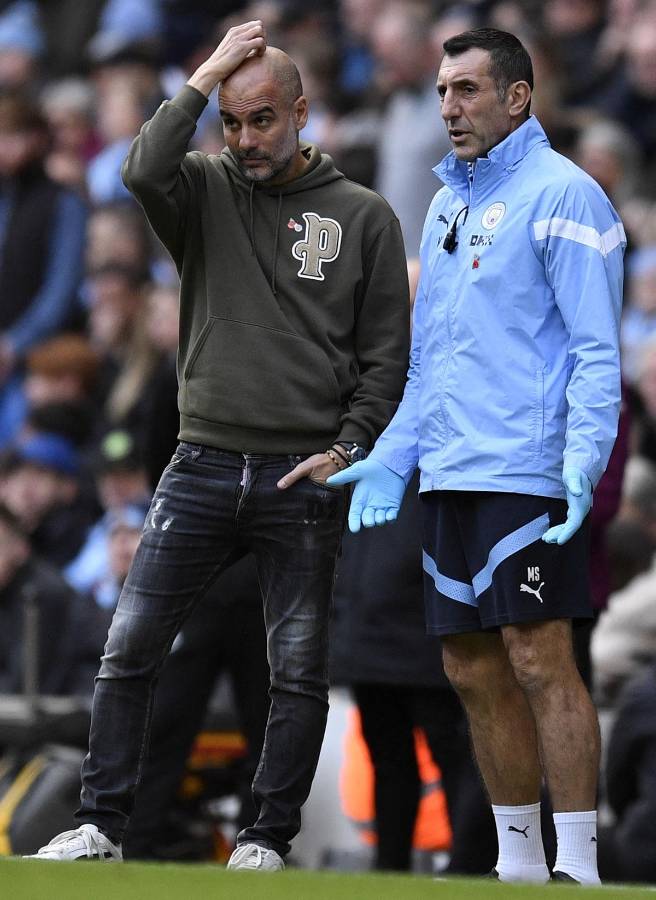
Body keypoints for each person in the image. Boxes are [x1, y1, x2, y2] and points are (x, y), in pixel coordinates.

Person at [29, 20, 409, 871]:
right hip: (200, 458)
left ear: (302, 113)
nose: (244, 139)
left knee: (295, 669)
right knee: (129, 647)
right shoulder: (201, 188)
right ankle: (100, 824)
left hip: (301, 470)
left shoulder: (364, 215)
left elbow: (388, 357)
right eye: (231, 122)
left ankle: (265, 838)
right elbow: (139, 169)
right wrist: (205, 75)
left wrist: (349, 448)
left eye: (262, 119)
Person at [330, 28, 624, 886]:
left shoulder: (566, 195)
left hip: (527, 471)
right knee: (468, 668)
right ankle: (519, 863)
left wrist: (584, 459)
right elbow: (429, 362)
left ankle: (578, 863)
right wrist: (394, 457)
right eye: (441, 92)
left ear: (518, 96)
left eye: (466, 90)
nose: (449, 108)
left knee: (539, 657)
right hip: (450, 472)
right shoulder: (445, 209)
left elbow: (596, 351)